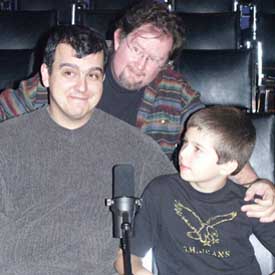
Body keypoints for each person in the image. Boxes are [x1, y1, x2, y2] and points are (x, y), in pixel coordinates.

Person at [0, 1, 275, 221]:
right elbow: (8, 107)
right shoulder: (80, 68)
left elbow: (216, 141)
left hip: (137, 211)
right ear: (119, 39)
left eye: (154, 58)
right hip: (60, 201)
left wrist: (257, 184)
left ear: (165, 63)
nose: (140, 65)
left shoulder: (174, 92)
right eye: (137, 49)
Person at [0, 25, 177, 275]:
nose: (82, 88)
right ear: (46, 75)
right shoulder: (6, 141)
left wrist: (249, 188)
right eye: (69, 73)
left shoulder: (136, 147)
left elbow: (184, 201)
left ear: (102, 79)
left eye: (92, 75)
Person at [114, 106, 275, 275]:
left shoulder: (249, 202)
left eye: (197, 149)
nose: (183, 153)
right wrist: (139, 271)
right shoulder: (160, 192)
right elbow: (125, 257)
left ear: (227, 166)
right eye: (185, 142)